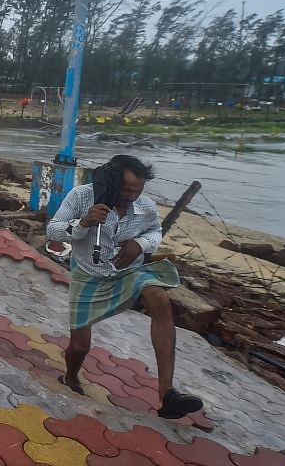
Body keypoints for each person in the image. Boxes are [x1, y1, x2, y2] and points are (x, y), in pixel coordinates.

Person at [46, 154, 204, 420]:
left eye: (138, 190)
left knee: (159, 297)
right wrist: (83, 222)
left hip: (126, 272)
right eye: (126, 189)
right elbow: (53, 230)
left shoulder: (145, 207)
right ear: (110, 181)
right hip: (88, 274)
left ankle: (168, 393)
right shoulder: (81, 196)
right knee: (80, 346)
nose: (132, 196)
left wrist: (139, 245)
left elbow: (154, 232)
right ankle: (70, 376)